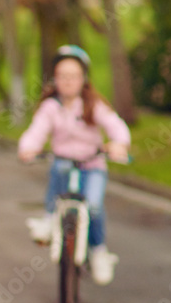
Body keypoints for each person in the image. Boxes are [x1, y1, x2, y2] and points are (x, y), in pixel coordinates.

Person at [18, 44, 131, 285]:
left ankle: (99, 251)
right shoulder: (51, 107)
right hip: (63, 161)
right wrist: (28, 147)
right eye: (62, 77)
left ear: (83, 79)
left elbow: (116, 126)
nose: (68, 82)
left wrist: (119, 144)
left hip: (92, 164)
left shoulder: (93, 105)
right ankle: (50, 219)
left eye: (73, 77)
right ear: (55, 80)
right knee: (58, 170)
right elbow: (36, 131)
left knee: (94, 206)